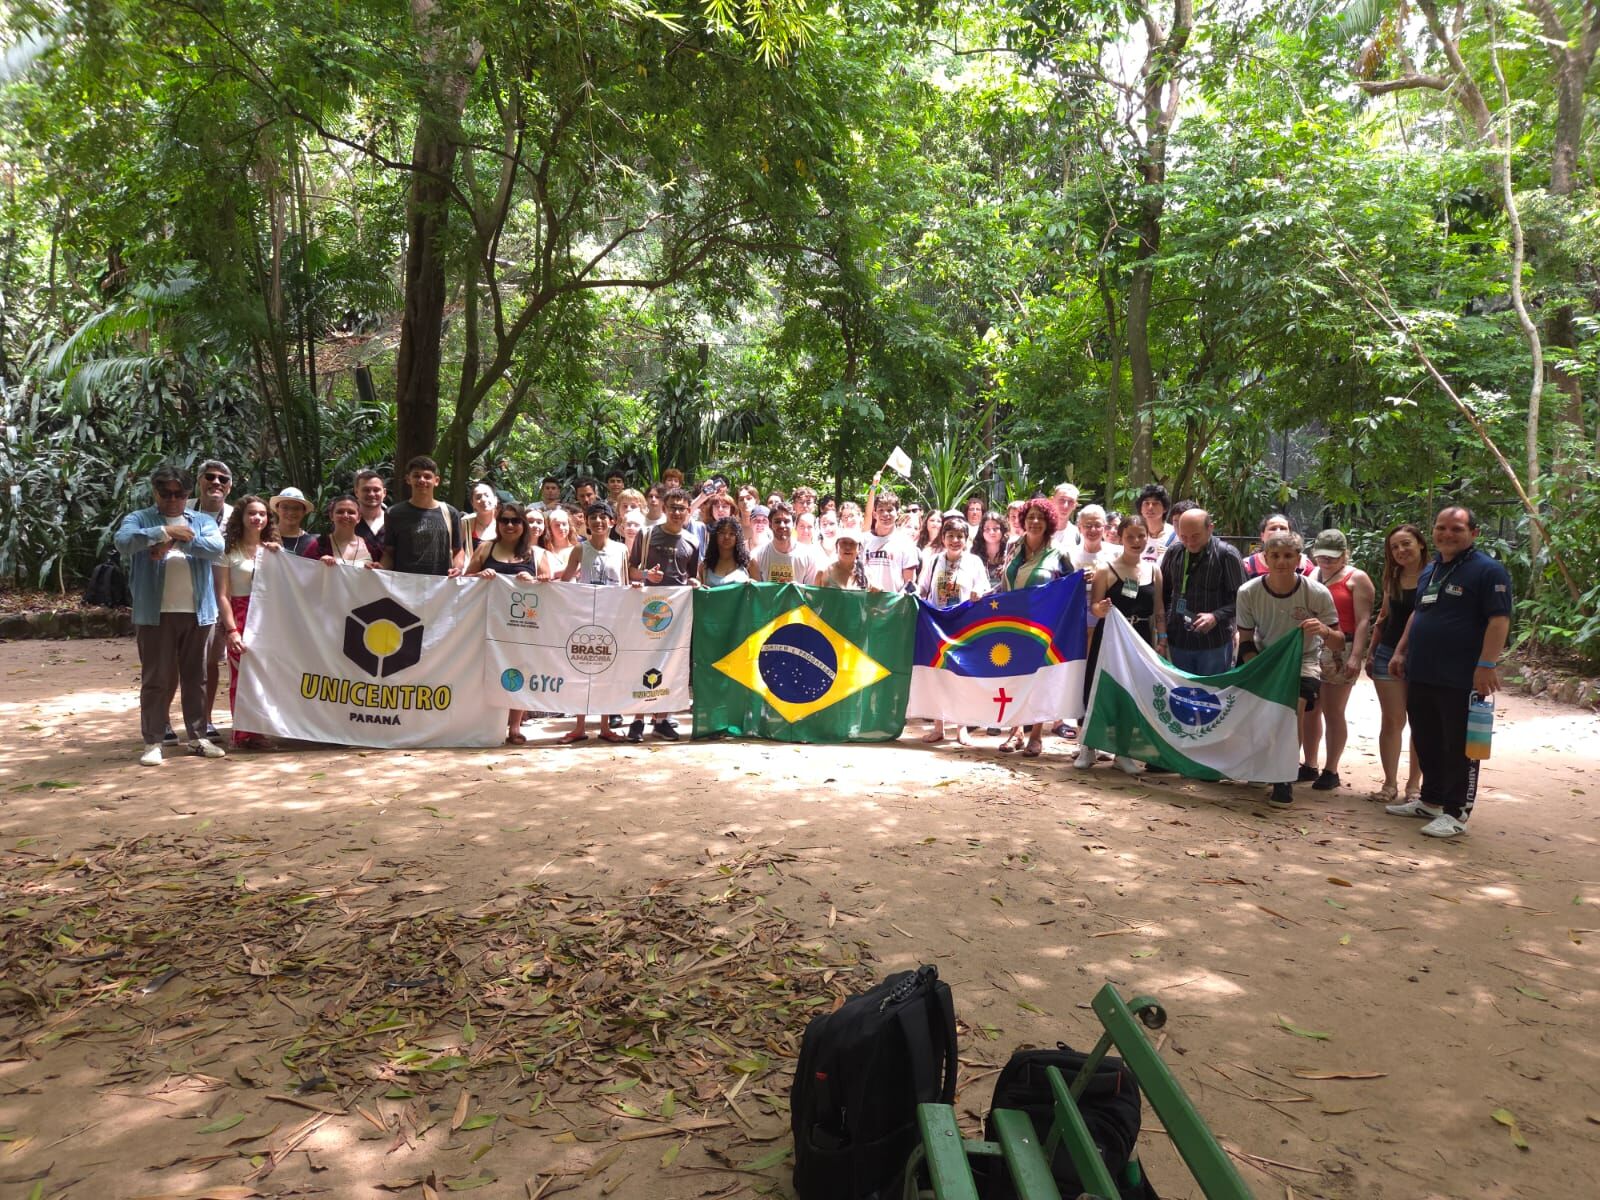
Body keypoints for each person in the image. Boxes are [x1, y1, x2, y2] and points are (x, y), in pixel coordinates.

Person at [1385, 506, 1512, 839]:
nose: (1446, 534)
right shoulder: (1433, 570)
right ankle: (1431, 800)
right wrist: (1401, 651)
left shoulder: (1489, 571)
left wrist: (1486, 665)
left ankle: (1456, 813)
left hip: (1462, 676)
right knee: (1427, 738)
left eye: (1456, 528)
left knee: (1459, 745)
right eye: (1441, 528)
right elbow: (1418, 613)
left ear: (1473, 533)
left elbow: (1499, 620)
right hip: (1423, 671)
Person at [114, 465, 228, 764]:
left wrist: (174, 541)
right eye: (166, 493)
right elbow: (124, 542)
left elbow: (216, 548)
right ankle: (153, 741)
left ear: (188, 494)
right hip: (155, 613)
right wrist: (163, 531)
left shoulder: (201, 520)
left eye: (179, 493)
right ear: (155, 492)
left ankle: (198, 737)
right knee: (156, 679)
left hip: (198, 613)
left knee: (197, 677)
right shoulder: (139, 518)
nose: (172, 499)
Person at [1235, 531, 1343, 807]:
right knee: (1262, 713)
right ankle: (1262, 765)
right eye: (1275, 556)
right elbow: (1246, 640)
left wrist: (1322, 630)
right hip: (1265, 658)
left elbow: (1339, 640)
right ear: (1264, 558)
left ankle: (1284, 776)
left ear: (1299, 558)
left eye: (1288, 556)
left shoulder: (1316, 592)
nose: (1282, 562)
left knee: (1291, 711)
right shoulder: (1248, 592)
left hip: (1303, 659)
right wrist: (1258, 668)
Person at [1079, 515, 1168, 774]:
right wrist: (1101, 608)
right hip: (1110, 637)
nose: (1137, 541)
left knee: (1132, 691)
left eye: (1141, 536)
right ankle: (1089, 746)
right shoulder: (1106, 570)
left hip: (1140, 636)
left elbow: (1159, 608)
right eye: (1130, 536)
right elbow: (1094, 607)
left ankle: (1123, 750)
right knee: (1099, 687)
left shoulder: (1154, 570)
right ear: (1120, 537)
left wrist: (1162, 638)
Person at [1300, 529, 1375, 791]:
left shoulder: (1357, 579)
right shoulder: (1312, 574)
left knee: (1333, 711)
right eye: (1322, 556)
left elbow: (1364, 619)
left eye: (1332, 557)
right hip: (1314, 646)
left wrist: (1356, 656)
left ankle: (1331, 769)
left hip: (1342, 648)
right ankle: (1309, 764)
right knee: (1311, 709)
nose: (1326, 561)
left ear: (1345, 554)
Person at [626, 488, 700, 742]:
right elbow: (632, 572)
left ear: (689, 511)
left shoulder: (693, 541)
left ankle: (661, 719)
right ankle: (637, 719)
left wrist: (694, 582)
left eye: (682, 508)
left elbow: (691, 575)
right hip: (647, 610)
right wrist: (647, 575)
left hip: (676, 613)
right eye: (673, 507)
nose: (677, 512)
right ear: (664, 509)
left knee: (670, 664)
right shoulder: (646, 535)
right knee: (641, 661)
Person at [555, 502, 630, 746]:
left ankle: (606, 726)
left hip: (613, 619)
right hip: (584, 618)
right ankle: (579, 727)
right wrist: (546, 586)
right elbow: (566, 581)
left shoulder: (621, 550)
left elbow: (626, 583)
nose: (598, 521)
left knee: (608, 672)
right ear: (586, 522)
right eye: (593, 517)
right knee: (582, 670)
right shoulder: (579, 549)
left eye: (603, 517)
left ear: (612, 522)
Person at [998, 498, 1067, 757]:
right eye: (1030, 517)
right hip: (1012, 623)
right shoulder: (1013, 547)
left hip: (1043, 627)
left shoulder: (1059, 552)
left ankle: (1036, 735)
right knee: (1015, 678)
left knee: (1039, 679)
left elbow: (1069, 586)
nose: (1035, 522)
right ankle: (1015, 731)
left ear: (1048, 522)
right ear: (1023, 521)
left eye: (1040, 517)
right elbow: (1004, 582)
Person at [1367, 522, 1427, 805]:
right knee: (1392, 720)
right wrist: (1370, 650)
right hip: (1387, 653)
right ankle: (1389, 783)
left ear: (1421, 544)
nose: (1401, 550)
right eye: (1394, 547)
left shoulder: (1436, 574)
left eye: (1406, 544)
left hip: (1424, 655)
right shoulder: (1392, 576)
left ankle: (1414, 785)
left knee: (1420, 720)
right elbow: (1383, 616)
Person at [217, 496, 282, 749]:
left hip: (269, 616)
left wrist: (280, 557)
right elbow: (222, 594)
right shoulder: (228, 552)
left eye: (263, 514)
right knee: (241, 675)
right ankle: (243, 733)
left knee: (266, 676)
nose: (257, 518)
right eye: (252, 514)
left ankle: (261, 731)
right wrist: (231, 629)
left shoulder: (275, 550)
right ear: (241, 518)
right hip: (241, 613)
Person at [917, 516, 987, 746]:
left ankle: (962, 727)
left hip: (964, 625)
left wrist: (978, 591)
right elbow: (923, 587)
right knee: (938, 675)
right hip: (937, 625)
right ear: (943, 538)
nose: (955, 540)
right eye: (950, 536)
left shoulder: (974, 561)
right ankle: (939, 727)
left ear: (966, 539)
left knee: (961, 676)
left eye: (960, 536)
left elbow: (984, 586)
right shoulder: (935, 560)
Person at [1159, 508, 1244, 675]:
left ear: (1210, 528)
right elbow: (1164, 592)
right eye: (1184, 537)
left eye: (1195, 536)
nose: (1189, 542)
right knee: (1182, 693)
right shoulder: (1174, 552)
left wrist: (1216, 616)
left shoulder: (1227, 554)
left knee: (1211, 695)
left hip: (1213, 643)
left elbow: (1244, 601)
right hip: (1178, 639)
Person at [195, 459, 234, 740]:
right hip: (186, 597)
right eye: (210, 477)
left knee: (210, 662)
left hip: (221, 602)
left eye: (223, 479)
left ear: (229, 488)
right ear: (199, 481)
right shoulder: (181, 512)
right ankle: (166, 722)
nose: (216, 482)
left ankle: (205, 720)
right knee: (175, 664)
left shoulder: (236, 517)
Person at [374, 456, 464, 576]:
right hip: (404, 585)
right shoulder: (394, 513)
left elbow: (458, 550)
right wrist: (381, 568)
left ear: (436, 481)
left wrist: (457, 567)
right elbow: (389, 553)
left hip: (440, 585)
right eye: (416, 476)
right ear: (408, 479)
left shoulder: (450, 513)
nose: (422, 480)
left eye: (427, 476)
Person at [860, 479, 919, 592]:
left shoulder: (906, 543)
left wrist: (896, 605)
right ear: (874, 514)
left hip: (894, 605)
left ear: (897, 514)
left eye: (890, 510)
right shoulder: (864, 540)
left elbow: (909, 584)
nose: (885, 514)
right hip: (866, 604)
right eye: (881, 510)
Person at [753, 503, 822, 585]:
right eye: (777, 521)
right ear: (770, 525)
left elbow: (810, 593)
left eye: (786, 521)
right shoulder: (757, 555)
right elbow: (756, 593)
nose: (782, 525)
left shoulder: (808, 556)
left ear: (793, 524)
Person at [307, 494, 373, 566]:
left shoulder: (370, 546)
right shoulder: (318, 545)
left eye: (351, 512)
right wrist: (318, 565)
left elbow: (382, 572)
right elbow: (302, 572)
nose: (345, 516)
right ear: (331, 516)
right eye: (340, 512)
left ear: (359, 518)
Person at [1242, 513, 1313, 580]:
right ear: (1262, 536)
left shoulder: (1304, 566)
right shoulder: (1247, 566)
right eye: (1273, 528)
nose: (1278, 532)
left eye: (1283, 528)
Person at [701, 516, 753, 585]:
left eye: (732, 534)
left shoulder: (749, 564)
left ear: (737, 537)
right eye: (722, 533)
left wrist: (754, 583)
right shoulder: (704, 566)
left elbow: (761, 592)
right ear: (715, 536)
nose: (726, 537)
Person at [1134, 483, 1177, 563]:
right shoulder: (1134, 535)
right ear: (1141, 509)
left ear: (1165, 508)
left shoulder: (1175, 535)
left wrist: (1171, 555)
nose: (1150, 507)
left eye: (1155, 503)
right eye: (1146, 503)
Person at [269, 487, 317, 556]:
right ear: (277, 509)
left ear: (303, 512)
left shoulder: (311, 543)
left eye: (296, 508)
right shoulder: (266, 536)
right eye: (285, 507)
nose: (291, 512)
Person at [354, 468, 388, 558]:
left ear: (384, 493)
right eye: (366, 490)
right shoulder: (347, 521)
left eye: (376, 490)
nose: (371, 494)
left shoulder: (395, 520)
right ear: (356, 492)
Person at [974, 511, 1009, 592]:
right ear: (981, 530)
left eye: (996, 529)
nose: (991, 532)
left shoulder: (1011, 551)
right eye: (987, 529)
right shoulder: (974, 554)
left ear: (1002, 530)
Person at [463, 481, 499, 553]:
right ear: (472, 503)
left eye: (487, 495)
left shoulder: (505, 524)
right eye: (478, 497)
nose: (483, 499)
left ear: (495, 500)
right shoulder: (465, 524)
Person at [542, 506, 578, 577]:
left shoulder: (577, 549)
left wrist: (550, 574)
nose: (561, 528)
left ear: (569, 526)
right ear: (550, 528)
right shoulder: (544, 550)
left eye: (564, 524)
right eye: (557, 525)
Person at [1050, 483, 1081, 554]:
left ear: (1075, 505)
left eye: (1071, 501)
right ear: (1052, 501)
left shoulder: (1077, 535)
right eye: (1062, 500)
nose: (1065, 506)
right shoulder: (1040, 530)